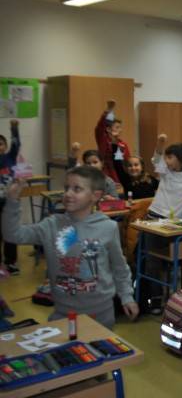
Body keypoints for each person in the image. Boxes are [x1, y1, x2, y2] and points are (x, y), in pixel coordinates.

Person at [2, 166, 139, 329]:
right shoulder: (51, 225)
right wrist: (12, 200)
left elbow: (119, 267)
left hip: (101, 313)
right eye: (66, 188)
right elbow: (13, 235)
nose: (68, 194)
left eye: (77, 189)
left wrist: (127, 297)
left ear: (95, 196)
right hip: (62, 313)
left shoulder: (108, 227)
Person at [143, 134, 182, 311]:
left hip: (174, 225)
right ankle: (156, 299)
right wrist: (160, 143)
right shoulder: (165, 172)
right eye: (167, 157)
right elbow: (156, 158)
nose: (167, 160)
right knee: (152, 261)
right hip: (153, 220)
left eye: (170, 157)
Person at [0, 120, 20, 275]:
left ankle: (11, 262)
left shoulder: (10, 157)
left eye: (1, 144)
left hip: (9, 202)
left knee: (10, 232)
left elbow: (16, 144)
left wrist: (14, 129)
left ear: (5, 146)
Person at [95, 99, 131, 184]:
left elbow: (127, 162)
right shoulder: (103, 140)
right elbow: (99, 128)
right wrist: (109, 110)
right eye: (117, 127)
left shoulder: (123, 144)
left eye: (120, 127)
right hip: (105, 179)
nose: (120, 130)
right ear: (108, 129)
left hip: (120, 179)